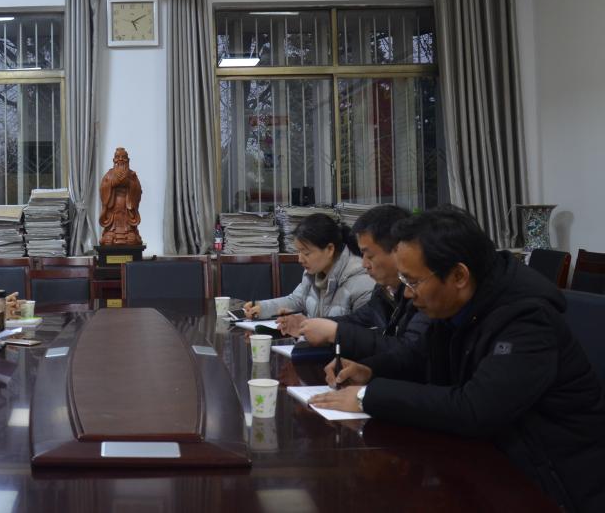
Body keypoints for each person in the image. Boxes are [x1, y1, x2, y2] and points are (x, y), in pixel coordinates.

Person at [312, 207, 605, 512]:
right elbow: (418, 355)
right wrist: (369, 371)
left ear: (459, 276)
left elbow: (476, 408)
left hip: (552, 487)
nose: (407, 294)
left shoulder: (527, 319)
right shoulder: (459, 301)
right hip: (486, 466)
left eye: (413, 281)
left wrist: (367, 397)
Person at [298, 205, 429, 359]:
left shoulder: (423, 294)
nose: (364, 264)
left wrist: (336, 332)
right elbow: (357, 320)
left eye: (370, 256)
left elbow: (408, 351)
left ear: (398, 251)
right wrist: (309, 324)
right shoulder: (383, 291)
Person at [245, 213, 374, 335]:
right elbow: (296, 300)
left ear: (330, 249)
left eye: (306, 253)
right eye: (299, 252)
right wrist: (262, 308)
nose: (300, 259)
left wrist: (311, 327)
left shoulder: (361, 281)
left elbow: (363, 336)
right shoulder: (313, 272)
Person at [98, 147, 143, 245]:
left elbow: (138, 190)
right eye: (118, 157)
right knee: (109, 239)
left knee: (131, 240)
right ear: (114, 160)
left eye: (123, 157)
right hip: (113, 208)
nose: (120, 159)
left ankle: (130, 232)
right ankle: (110, 233)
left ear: (128, 160)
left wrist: (129, 183)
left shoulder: (132, 175)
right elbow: (102, 189)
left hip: (127, 208)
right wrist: (112, 183)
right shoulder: (109, 174)